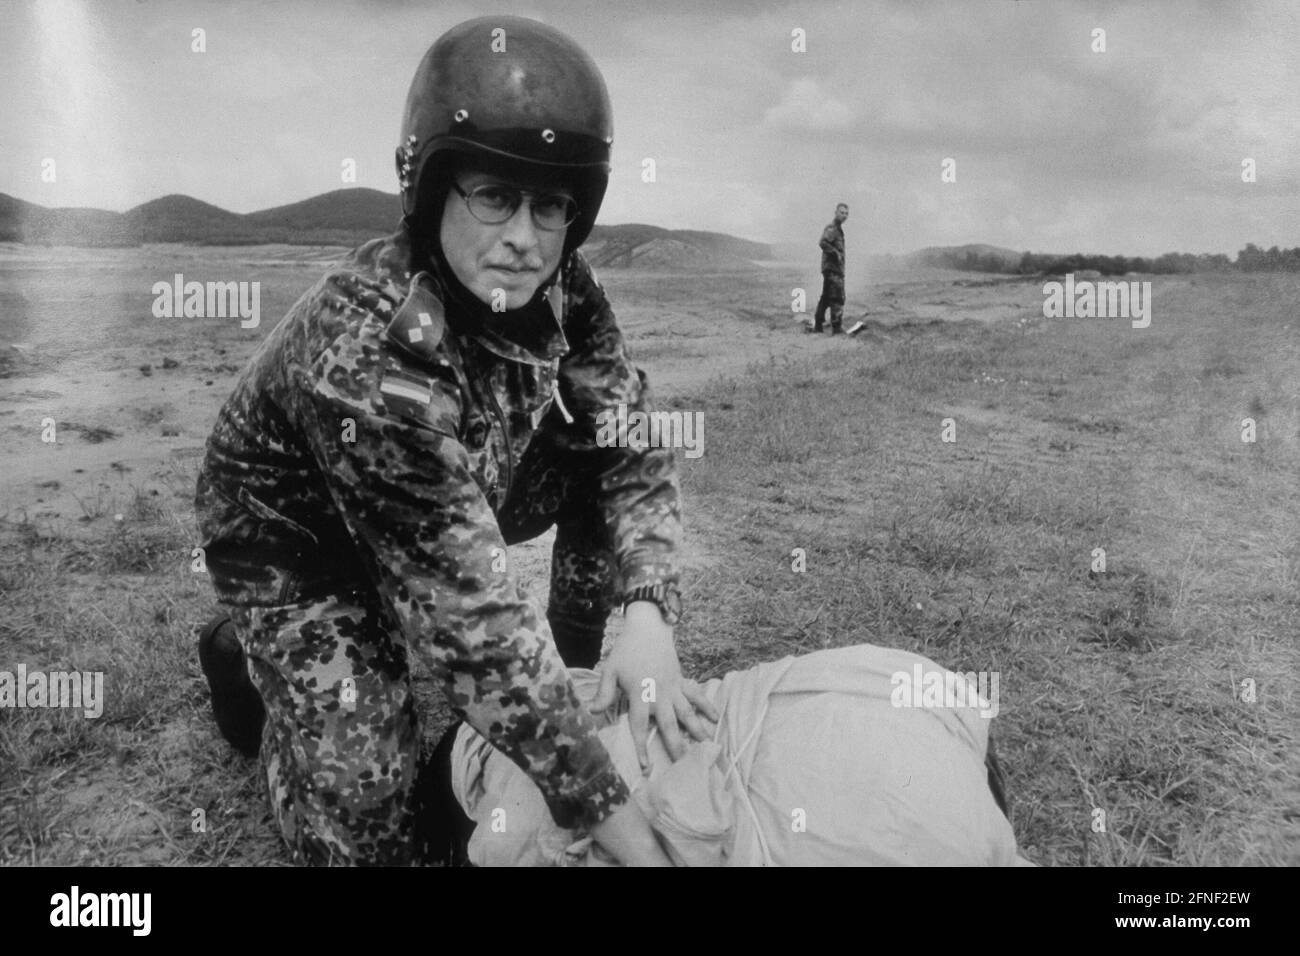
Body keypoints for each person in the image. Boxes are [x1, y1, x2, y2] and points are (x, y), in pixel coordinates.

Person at [193, 15, 716, 867]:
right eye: (495, 196)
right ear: (432, 189)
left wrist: (647, 609)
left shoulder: (561, 285)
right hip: (301, 545)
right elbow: (472, 626)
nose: (524, 235)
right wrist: (627, 835)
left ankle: (582, 675)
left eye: (551, 206)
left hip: (457, 484)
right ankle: (248, 665)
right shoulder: (366, 348)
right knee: (370, 826)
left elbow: (625, 437)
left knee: (590, 457)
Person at [811, 202, 849, 334]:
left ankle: (818, 325)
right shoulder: (832, 228)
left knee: (826, 297)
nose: (844, 215)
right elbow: (822, 242)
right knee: (837, 297)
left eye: (846, 213)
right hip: (832, 270)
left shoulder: (838, 230)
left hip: (833, 269)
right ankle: (837, 328)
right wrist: (836, 253)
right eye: (842, 212)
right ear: (836, 213)